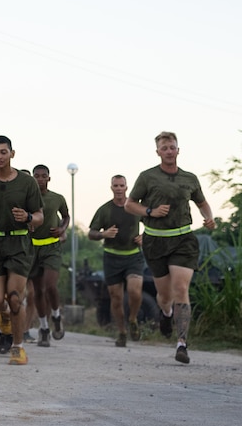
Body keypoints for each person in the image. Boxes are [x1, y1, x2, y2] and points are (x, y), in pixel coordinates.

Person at [125, 132, 215, 364]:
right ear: (158, 152)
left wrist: (209, 218)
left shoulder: (190, 178)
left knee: (180, 288)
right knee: (164, 297)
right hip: (155, 241)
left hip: (183, 239)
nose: (168, 151)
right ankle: (166, 313)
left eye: (172, 147)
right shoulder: (147, 177)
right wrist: (150, 212)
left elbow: (202, 203)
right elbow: (130, 204)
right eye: (164, 147)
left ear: (178, 150)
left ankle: (182, 344)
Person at [0, 136, 42, 366]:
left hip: (18, 244)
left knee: (15, 299)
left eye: (3, 152)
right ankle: (4, 323)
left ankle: (18, 346)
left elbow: (40, 216)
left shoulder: (27, 182)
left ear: (12, 154)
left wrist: (29, 217)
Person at [89, 175, 145, 347]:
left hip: (133, 255)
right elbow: (91, 233)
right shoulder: (105, 209)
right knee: (116, 297)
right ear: (111, 187)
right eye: (116, 185)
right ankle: (121, 332)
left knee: (135, 291)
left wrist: (145, 236)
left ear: (127, 187)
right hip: (112, 256)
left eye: (122, 185)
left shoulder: (135, 207)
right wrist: (103, 234)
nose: (119, 188)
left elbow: (153, 224)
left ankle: (133, 319)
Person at [28, 165, 71, 346]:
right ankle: (44, 328)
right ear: (32, 178)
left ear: (49, 178)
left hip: (51, 247)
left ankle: (56, 315)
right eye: (36, 176)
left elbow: (66, 216)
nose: (40, 179)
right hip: (32, 248)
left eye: (43, 176)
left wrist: (62, 228)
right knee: (38, 291)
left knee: (50, 286)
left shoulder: (57, 198)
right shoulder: (27, 198)